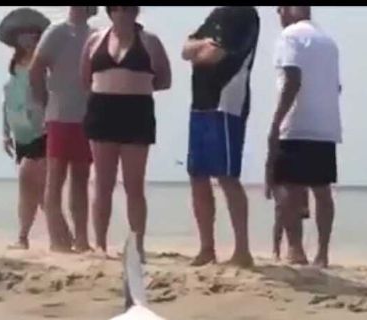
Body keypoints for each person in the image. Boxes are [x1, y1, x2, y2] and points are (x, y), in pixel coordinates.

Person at [81, 6, 171, 261]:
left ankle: (137, 245)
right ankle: (99, 244)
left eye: (128, 8)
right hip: (102, 110)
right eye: (117, 8)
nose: (123, 13)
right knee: (102, 182)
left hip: (136, 112)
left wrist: (135, 84)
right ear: (110, 11)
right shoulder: (95, 40)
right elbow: (85, 78)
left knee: (134, 184)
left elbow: (164, 79)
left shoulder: (150, 42)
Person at [181, 6, 259, 268]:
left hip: (226, 103)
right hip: (200, 103)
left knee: (227, 177)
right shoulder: (217, 15)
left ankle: (242, 251)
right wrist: (203, 45)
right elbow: (186, 50)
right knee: (197, 174)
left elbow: (212, 56)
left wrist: (202, 49)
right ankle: (206, 248)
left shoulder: (244, 15)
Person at [266, 6, 342, 268]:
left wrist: (276, 122)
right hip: (326, 124)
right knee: (322, 190)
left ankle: (296, 250)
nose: (278, 14)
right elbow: (337, 86)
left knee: (286, 185)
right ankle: (322, 254)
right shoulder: (328, 42)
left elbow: (292, 79)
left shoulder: (290, 37)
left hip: (296, 122)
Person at [30, 6, 98, 253]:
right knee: (55, 179)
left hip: (85, 117)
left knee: (80, 180)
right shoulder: (57, 31)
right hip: (59, 115)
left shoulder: (95, 34)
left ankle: (81, 239)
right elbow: (36, 68)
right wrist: (43, 101)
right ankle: (56, 238)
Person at [0, 8, 51, 250]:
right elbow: (7, 101)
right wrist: (5, 132)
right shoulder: (14, 67)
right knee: (37, 191)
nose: (28, 39)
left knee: (29, 180)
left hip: (42, 130)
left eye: (33, 34)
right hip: (21, 133)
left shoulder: (43, 65)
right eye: (23, 35)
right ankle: (48, 235)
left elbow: (49, 97)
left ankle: (25, 236)